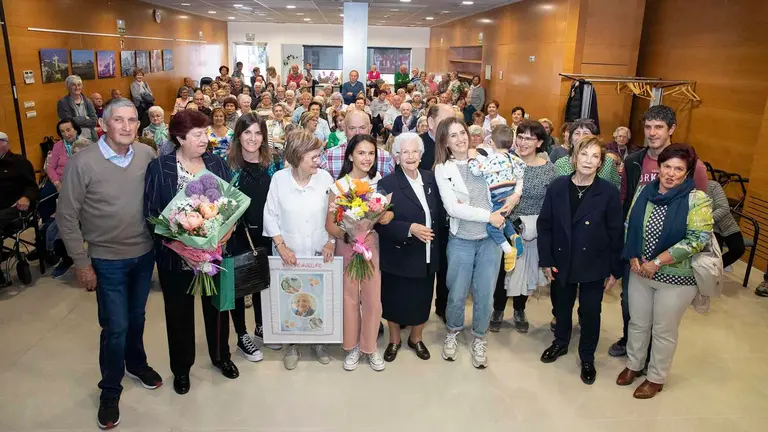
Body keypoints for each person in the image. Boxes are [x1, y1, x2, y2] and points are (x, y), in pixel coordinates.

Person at [57, 98, 160, 429]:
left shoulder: (146, 154)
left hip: (144, 254)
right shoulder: (82, 163)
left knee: (137, 317)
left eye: (132, 120)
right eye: (119, 120)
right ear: (103, 124)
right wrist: (81, 262)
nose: (127, 126)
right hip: (106, 259)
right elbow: (66, 217)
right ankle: (110, 389)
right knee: (115, 327)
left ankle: (137, 363)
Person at [144, 109, 238, 396]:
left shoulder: (217, 164)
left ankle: (222, 356)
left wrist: (223, 236)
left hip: (216, 254)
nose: (205, 139)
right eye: (197, 135)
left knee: (219, 309)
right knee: (178, 314)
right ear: (180, 137)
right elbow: (151, 214)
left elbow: (230, 206)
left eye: (206, 133)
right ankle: (182, 368)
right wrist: (183, 249)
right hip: (176, 258)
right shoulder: (160, 168)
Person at [609, 105, 709, 358]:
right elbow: (626, 201)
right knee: (630, 304)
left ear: (672, 129)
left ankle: (653, 356)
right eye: (648, 126)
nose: (652, 132)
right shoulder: (634, 161)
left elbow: (700, 208)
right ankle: (630, 342)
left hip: (673, 255)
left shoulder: (692, 165)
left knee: (663, 317)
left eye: (659, 127)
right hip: (637, 248)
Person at [617, 144, 713, 399]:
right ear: (659, 167)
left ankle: (656, 377)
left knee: (663, 330)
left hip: (677, 279)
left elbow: (697, 240)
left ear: (687, 172)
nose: (671, 173)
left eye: (678, 169)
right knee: (637, 323)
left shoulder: (697, 199)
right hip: (640, 271)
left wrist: (657, 262)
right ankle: (634, 365)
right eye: (667, 166)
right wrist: (633, 256)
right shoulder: (644, 192)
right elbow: (630, 224)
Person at [537, 135, 623, 385]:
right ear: (574, 157)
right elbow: (546, 226)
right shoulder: (557, 186)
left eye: (595, 156)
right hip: (561, 261)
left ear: (600, 163)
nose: (588, 160)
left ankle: (587, 356)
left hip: (594, 265)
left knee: (590, 311)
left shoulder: (608, 193)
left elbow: (616, 233)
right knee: (561, 307)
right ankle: (560, 343)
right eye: (584, 154)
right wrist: (546, 259)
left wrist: (614, 270)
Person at [434, 116, 506, 369]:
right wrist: (490, 215)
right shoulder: (443, 170)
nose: (460, 138)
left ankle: (479, 338)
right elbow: (454, 209)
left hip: (490, 239)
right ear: (445, 142)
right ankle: (452, 332)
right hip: (462, 239)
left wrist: (507, 205)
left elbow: (505, 186)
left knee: (485, 295)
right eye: (453, 135)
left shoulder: (486, 159)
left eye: (462, 133)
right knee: (456, 293)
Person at [263, 130, 336, 370]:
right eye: (313, 157)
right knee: (290, 299)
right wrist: (281, 246)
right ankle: (291, 343)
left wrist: (331, 242)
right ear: (297, 156)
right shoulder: (279, 180)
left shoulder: (325, 178)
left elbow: (335, 213)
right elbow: (270, 215)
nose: (319, 161)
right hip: (288, 252)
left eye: (319, 156)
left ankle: (318, 341)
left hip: (319, 249)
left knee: (318, 296)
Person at [325, 134, 393, 372]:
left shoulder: (380, 182)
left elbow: (388, 213)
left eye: (371, 153)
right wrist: (349, 236)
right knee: (350, 298)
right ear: (351, 155)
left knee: (373, 299)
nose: (367, 158)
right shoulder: (339, 186)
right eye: (361, 153)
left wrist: (385, 216)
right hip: (347, 246)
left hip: (371, 246)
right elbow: (330, 224)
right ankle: (352, 346)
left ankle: (370, 347)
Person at [377, 132, 443, 362]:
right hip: (399, 253)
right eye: (405, 152)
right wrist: (409, 228)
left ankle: (416, 338)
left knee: (423, 299)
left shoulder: (432, 178)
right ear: (396, 156)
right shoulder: (387, 184)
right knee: (394, 300)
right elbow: (379, 223)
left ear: (421, 154)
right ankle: (394, 340)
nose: (410, 156)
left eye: (415, 151)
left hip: (427, 253)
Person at [489, 120, 558, 333]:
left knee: (527, 272)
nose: (522, 142)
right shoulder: (504, 161)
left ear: (539, 143)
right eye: (520, 136)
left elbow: (552, 204)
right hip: (505, 225)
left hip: (533, 231)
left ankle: (520, 309)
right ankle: (498, 309)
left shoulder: (550, 170)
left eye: (529, 138)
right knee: (503, 270)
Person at [225, 113, 283, 362]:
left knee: (262, 281)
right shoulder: (227, 165)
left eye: (258, 133)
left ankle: (262, 326)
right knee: (239, 284)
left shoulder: (274, 162)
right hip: (237, 234)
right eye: (247, 132)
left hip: (267, 232)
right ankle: (241, 335)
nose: (253, 138)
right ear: (238, 135)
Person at [469, 125, 525, 271]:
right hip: (509, 194)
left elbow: (476, 171)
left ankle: (508, 249)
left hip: (496, 197)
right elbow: (520, 175)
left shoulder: (491, 159)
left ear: (492, 143)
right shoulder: (514, 159)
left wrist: (471, 158)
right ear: (511, 143)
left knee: (492, 225)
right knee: (503, 219)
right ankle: (514, 236)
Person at [0, 131, 38, 287]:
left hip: (15, 207)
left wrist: (26, 197)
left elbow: (32, 187)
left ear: (5, 143)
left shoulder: (19, 162)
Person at [319, 110, 395, 179]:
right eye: (352, 128)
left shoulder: (386, 159)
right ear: (345, 129)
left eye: (362, 127)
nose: (357, 132)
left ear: (370, 128)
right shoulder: (328, 157)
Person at [554, 120, 621, 189]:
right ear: (570, 139)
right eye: (577, 133)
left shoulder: (608, 162)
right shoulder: (560, 164)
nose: (581, 137)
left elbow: (617, 186)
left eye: (586, 133)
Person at [707, 180, 745, 269]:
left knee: (738, 249)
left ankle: (716, 269)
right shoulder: (688, 189)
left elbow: (724, 208)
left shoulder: (713, 185)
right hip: (709, 228)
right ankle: (710, 271)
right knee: (716, 251)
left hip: (727, 224)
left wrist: (707, 219)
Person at [57, 75, 98, 141]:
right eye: (73, 85)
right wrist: (85, 118)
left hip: (91, 138)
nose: (77, 87)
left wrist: (75, 119)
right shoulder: (63, 103)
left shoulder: (88, 102)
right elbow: (68, 123)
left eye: (79, 85)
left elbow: (94, 121)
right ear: (68, 87)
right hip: (73, 140)